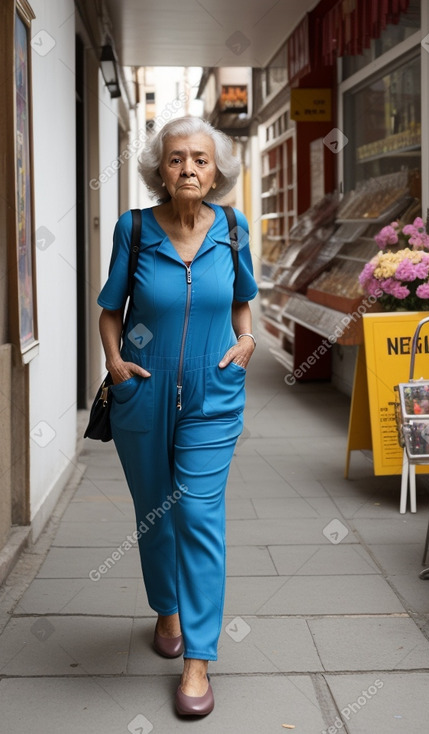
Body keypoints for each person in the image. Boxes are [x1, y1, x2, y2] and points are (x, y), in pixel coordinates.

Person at [97, 116, 258, 717]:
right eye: (176, 159)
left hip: (213, 395)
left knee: (196, 512)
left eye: (200, 159)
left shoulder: (234, 229)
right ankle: (165, 606)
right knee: (154, 511)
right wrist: (115, 363)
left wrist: (244, 343)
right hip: (144, 388)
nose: (188, 168)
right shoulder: (134, 229)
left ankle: (198, 659)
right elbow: (112, 308)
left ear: (216, 171)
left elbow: (241, 300)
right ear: (159, 170)